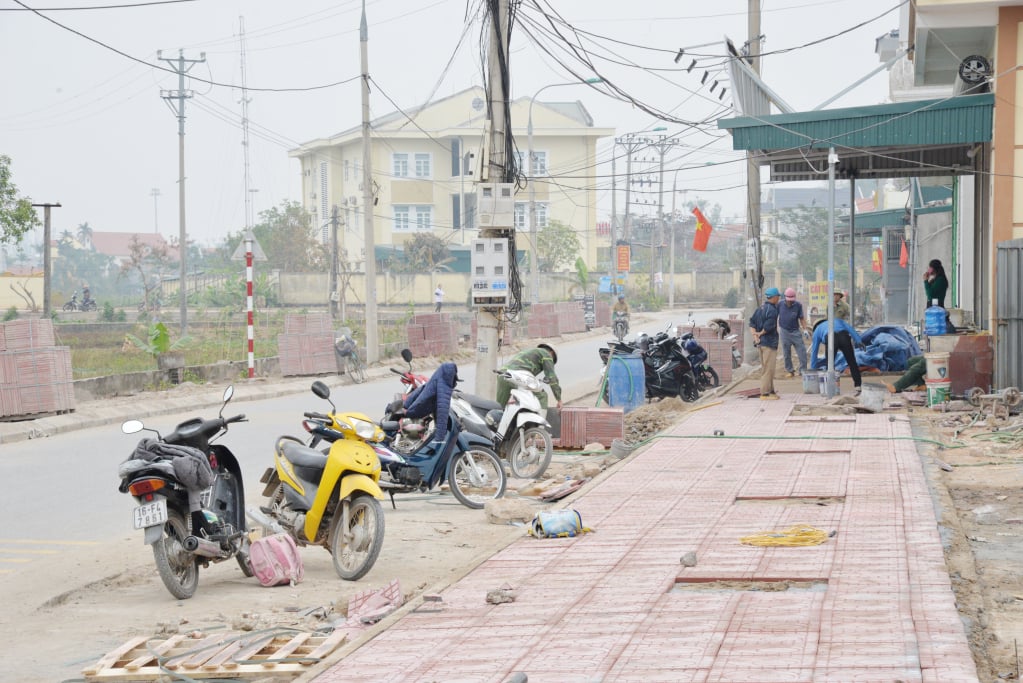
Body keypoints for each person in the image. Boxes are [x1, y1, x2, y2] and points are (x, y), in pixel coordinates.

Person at [402, 361, 461, 446]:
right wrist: (440, 439)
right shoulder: (444, 385)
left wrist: (407, 404)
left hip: (411, 407)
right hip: (415, 412)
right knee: (412, 441)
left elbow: (421, 390)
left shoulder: (437, 377)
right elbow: (442, 410)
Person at [808, 317, 865, 395]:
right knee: (852, 362)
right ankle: (858, 386)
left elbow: (814, 352)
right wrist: (859, 340)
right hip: (844, 337)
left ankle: (831, 389)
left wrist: (813, 369)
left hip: (831, 338)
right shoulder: (838, 320)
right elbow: (850, 329)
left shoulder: (817, 330)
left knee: (830, 365)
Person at [497, 343, 562, 411]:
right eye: (552, 360)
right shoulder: (547, 354)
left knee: (500, 408)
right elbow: (552, 378)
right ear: (552, 353)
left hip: (503, 374)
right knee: (542, 396)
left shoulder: (530, 351)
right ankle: (539, 420)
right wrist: (559, 399)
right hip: (518, 374)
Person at [750, 287, 781, 400]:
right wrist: (761, 333)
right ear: (773, 297)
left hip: (761, 343)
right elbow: (769, 327)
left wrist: (755, 335)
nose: (778, 298)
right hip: (769, 343)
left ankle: (771, 390)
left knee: (768, 368)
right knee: (768, 369)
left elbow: (751, 323)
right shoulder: (772, 310)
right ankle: (765, 393)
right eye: (778, 296)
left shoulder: (760, 308)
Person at [778, 287, 809, 378]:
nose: (790, 302)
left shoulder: (798, 305)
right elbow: (775, 315)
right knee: (786, 353)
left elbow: (801, 318)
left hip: (795, 331)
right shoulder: (780, 305)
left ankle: (802, 370)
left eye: (792, 300)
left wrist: (805, 329)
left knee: (802, 352)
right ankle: (790, 371)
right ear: (785, 298)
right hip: (784, 331)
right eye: (789, 300)